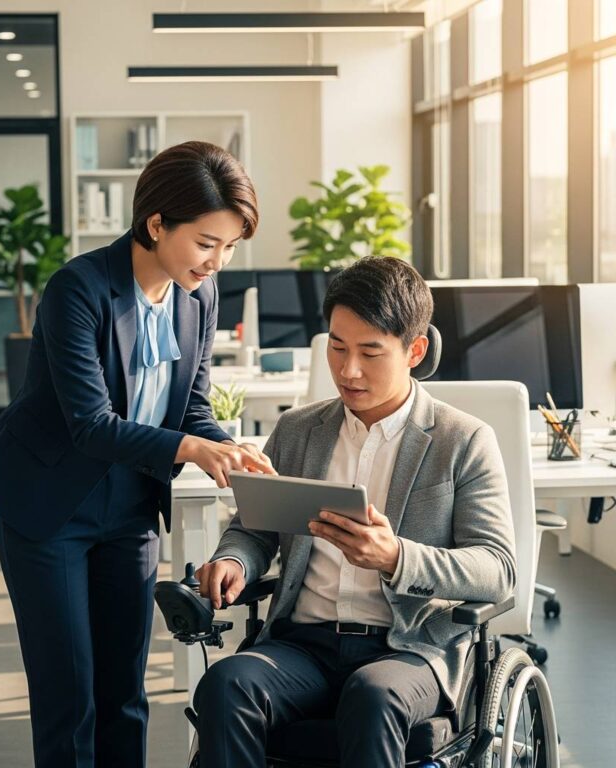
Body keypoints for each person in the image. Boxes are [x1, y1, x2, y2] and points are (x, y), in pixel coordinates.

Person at [0, 141, 275, 768]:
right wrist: (189, 446)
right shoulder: (78, 289)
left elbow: (190, 405)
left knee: (125, 693)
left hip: (130, 507)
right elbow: (89, 424)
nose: (217, 262)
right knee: (70, 695)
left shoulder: (198, 297)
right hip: (49, 507)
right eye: (206, 243)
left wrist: (225, 446)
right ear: (156, 223)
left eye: (230, 247)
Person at [193, 256, 517, 768]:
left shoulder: (463, 440)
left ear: (415, 350)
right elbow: (254, 530)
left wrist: (396, 557)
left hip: (408, 651)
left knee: (372, 694)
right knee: (225, 685)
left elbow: (498, 570)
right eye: (337, 348)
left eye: (370, 352)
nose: (348, 370)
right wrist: (234, 561)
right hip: (305, 644)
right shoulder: (298, 430)